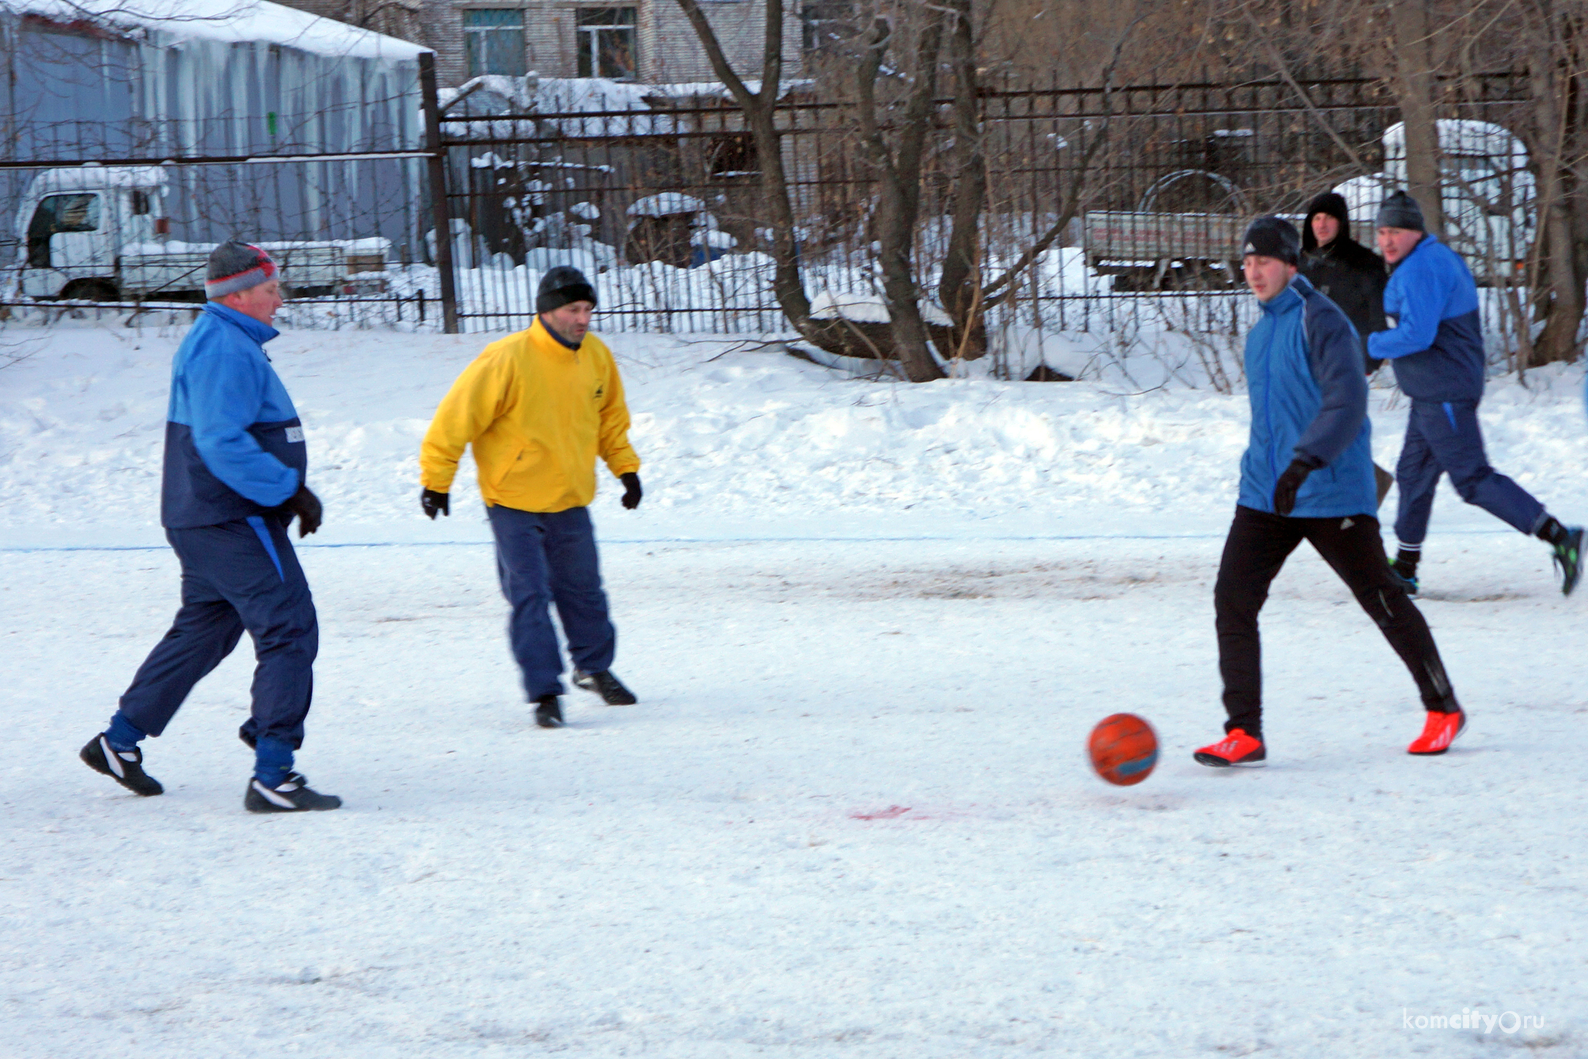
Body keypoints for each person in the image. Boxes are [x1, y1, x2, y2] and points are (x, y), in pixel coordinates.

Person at [1194, 217, 1465, 768]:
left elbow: (1347, 404)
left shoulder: (1321, 320)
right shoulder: (1261, 331)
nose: (1253, 272)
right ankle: (1244, 731)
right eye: (1246, 263)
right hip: (1268, 493)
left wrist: (1305, 462)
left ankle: (1444, 707)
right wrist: (1269, 472)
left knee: (1382, 597)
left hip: (1331, 490)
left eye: (1263, 261)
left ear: (1291, 263)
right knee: (1233, 598)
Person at [80, 242, 341, 812]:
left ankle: (119, 741)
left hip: (205, 515)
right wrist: (288, 490)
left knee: (205, 630)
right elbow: (221, 440)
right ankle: (274, 771)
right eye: (271, 289)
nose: (280, 299)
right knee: (289, 626)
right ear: (239, 293)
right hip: (230, 517)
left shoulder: (224, 339)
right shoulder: (224, 346)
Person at [420, 266, 643, 729]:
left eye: (587, 310)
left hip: (569, 497)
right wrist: (437, 479)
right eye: (572, 310)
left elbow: (610, 422)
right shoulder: (507, 358)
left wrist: (626, 469)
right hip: (513, 500)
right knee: (530, 595)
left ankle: (593, 666)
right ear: (545, 311)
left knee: (583, 592)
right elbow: (454, 419)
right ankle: (544, 691)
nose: (582, 319)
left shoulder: (597, 356)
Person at [1367, 191, 1583, 597]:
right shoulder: (1428, 259)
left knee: (1472, 478)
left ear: (1415, 232)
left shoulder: (1421, 268)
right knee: (1414, 475)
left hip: (1444, 391)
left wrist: (1371, 344)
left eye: (1395, 231)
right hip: (1432, 392)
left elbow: (1418, 334)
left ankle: (1559, 537)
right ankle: (1406, 569)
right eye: (1381, 232)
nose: (1387, 240)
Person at [1301, 190, 1395, 505]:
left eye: (1329, 218)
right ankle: (1360, 485)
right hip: (1308, 361)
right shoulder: (1302, 263)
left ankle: (1352, 490)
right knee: (1315, 427)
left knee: (1332, 427)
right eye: (1316, 217)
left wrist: (1367, 361)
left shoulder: (1364, 263)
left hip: (1348, 362)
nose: (1322, 224)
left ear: (1342, 223)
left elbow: (1377, 320)